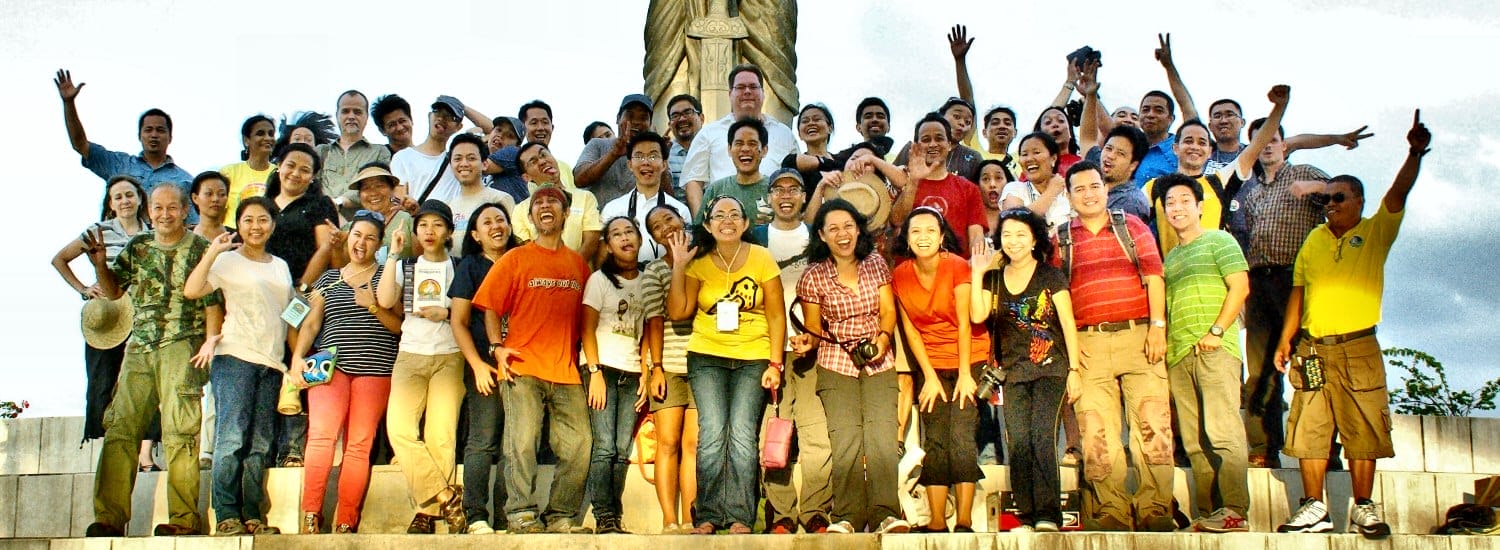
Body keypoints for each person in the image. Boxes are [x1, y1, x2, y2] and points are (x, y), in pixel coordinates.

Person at [1273, 112, 1430, 538]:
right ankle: (1313, 508)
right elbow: (1299, 292)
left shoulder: (1376, 231)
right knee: (1309, 425)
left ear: (1359, 201)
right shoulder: (1314, 239)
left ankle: (1363, 506)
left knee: (1363, 423)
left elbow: (1399, 192)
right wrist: (1286, 340)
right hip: (1313, 346)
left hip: (1359, 345)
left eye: (1339, 197)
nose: (1331, 205)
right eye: (1326, 199)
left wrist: (1414, 153)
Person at [80, 183, 221, 537]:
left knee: (180, 433)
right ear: (149, 211)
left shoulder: (201, 249)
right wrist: (100, 265)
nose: (164, 214)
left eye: (171, 207)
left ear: (184, 210)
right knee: (121, 430)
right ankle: (109, 517)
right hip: (139, 348)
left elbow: (213, 304)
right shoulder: (138, 247)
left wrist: (209, 345)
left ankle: (184, 519)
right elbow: (113, 291)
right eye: (157, 208)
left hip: (182, 347)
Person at [470, 184, 594, 534]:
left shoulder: (578, 265)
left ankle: (560, 515)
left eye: (553, 201)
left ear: (566, 213)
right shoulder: (515, 258)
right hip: (522, 367)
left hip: (567, 370)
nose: (546, 207)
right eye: (539, 203)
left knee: (580, 446)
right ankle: (521, 514)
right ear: (530, 216)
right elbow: (490, 307)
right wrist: (497, 347)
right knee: (520, 443)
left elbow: (587, 318)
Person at [1058, 161, 1173, 532]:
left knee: (1153, 422)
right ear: (1069, 195)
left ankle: (1156, 505)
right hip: (1089, 342)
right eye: (1080, 189)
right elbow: (1057, 295)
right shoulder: (1061, 238)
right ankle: (1111, 505)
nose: (1088, 194)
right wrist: (1073, 349)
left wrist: (1158, 327)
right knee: (1096, 428)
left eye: (1095, 186)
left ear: (1105, 189)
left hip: (1139, 337)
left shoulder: (1131, 226)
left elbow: (1154, 276)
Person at [664, 195, 786, 535]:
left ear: (746, 224)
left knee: (744, 436)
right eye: (719, 215)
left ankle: (740, 516)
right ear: (707, 224)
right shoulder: (699, 261)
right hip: (707, 355)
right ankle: (707, 515)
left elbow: (776, 314)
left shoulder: (762, 258)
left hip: (753, 355)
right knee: (712, 435)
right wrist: (678, 266)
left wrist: (775, 362)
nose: (727, 220)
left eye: (735, 214)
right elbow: (678, 311)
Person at [182, 196, 293, 536]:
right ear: (238, 224)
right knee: (231, 438)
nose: (255, 226)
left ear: (272, 224)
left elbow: (289, 314)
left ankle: (252, 514)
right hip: (235, 356)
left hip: (271, 361)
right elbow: (192, 290)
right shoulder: (227, 261)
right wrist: (212, 252)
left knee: (260, 442)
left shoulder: (281, 265)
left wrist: (293, 360)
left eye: (262, 220)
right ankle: (227, 513)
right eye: (248, 220)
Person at [789, 199, 900, 534]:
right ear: (821, 235)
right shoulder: (813, 276)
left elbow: (888, 311)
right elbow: (814, 329)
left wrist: (882, 339)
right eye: (833, 228)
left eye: (848, 226)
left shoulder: (876, 264)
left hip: (879, 360)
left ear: (858, 229)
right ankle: (848, 515)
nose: (842, 234)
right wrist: (807, 342)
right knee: (845, 438)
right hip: (836, 363)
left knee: (881, 435)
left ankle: (885, 514)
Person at [970, 207, 1082, 533]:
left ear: (1034, 239)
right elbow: (978, 315)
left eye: (1021, 234)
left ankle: (1048, 513)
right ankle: (1027, 515)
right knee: (1017, 439)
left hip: (1051, 369)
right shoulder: (994, 278)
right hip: (1015, 372)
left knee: (1041, 436)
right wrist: (978, 272)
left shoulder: (1050, 275)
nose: (1014, 241)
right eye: (1007, 235)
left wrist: (1074, 368)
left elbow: (1067, 324)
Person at [1152, 174, 1253, 533]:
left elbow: (1240, 286)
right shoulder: (1170, 259)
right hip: (1179, 355)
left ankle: (1235, 509)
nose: (1176, 208)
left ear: (1200, 206)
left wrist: (1216, 331)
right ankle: (1211, 512)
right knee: (1195, 441)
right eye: (1170, 203)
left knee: (1222, 431)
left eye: (1183, 201)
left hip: (1214, 349)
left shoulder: (1219, 240)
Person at [292, 211, 402, 534]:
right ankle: (311, 514)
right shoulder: (328, 279)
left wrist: (373, 306)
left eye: (370, 237)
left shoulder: (388, 275)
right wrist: (298, 356)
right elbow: (311, 323)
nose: (361, 243)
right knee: (321, 437)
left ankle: (346, 520)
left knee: (359, 444)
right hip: (330, 366)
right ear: (348, 236)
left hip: (376, 368)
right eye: (357, 235)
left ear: (379, 244)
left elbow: (399, 328)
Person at [1240, 116, 1333, 469]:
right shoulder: (1252, 191)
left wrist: (1314, 190)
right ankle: (1264, 447)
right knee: (1260, 370)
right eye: (1259, 141)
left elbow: (1344, 193)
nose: (1267, 146)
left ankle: (1326, 450)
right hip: (1259, 282)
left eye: (1273, 139)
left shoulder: (1303, 172)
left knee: (1311, 365)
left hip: (1298, 279)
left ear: (1284, 144)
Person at [891, 206, 988, 534]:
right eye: (915, 231)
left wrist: (964, 375)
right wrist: (929, 376)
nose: (923, 237)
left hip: (968, 358)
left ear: (942, 236)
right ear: (906, 237)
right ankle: (935, 520)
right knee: (935, 438)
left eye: (930, 231)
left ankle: (963, 520)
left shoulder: (957, 267)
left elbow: (964, 324)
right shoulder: (901, 273)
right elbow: (911, 331)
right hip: (930, 363)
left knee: (960, 435)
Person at [375, 200, 467, 534]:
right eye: (423, 225)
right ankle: (445, 495)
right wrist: (394, 255)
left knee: (440, 434)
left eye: (437, 224)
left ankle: (426, 513)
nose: (429, 231)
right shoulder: (407, 264)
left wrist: (447, 314)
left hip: (449, 353)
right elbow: (385, 301)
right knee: (398, 428)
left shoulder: (460, 266)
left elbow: (473, 313)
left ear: (449, 232)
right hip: (411, 353)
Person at [52, 175, 157, 464]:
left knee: (144, 384)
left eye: (129, 195)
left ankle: (145, 455)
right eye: (118, 197)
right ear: (110, 204)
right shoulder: (98, 231)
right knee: (103, 380)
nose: (124, 201)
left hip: (143, 316)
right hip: (109, 316)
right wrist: (84, 289)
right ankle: (103, 450)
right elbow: (59, 259)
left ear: (139, 199)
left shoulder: (152, 232)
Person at [755, 170, 831, 534]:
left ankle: (817, 510)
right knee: (775, 431)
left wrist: (815, 335)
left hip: (813, 347)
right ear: (768, 198)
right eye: (778, 189)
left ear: (804, 197)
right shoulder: (756, 238)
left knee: (817, 431)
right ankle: (781, 513)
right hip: (770, 349)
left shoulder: (818, 239)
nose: (786, 196)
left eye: (794, 189)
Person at [1143, 85, 1291, 255]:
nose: (1195, 147)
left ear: (1209, 152)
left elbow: (1257, 145)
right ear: (1176, 148)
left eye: (1202, 142)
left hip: (1214, 277)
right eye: (1188, 141)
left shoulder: (1219, 182)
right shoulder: (1154, 187)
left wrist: (1280, 106)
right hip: (1172, 276)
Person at [449, 202, 520, 535]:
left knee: (515, 442)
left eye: (501, 219)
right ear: (475, 234)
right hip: (484, 364)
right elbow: (459, 321)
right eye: (487, 222)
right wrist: (477, 365)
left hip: (522, 364)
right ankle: (475, 514)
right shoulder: (470, 267)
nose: (496, 226)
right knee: (482, 440)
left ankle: (507, 515)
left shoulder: (524, 258)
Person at [55, 69, 196, 224]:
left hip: (160, 244)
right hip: (119, 242)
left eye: (160, 130)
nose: (154, 135)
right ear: (139, 135)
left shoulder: (185, 181)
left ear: (170, 137)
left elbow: (192, 225)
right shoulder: (119, 164)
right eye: (148, 130)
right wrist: (68, 103)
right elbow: (80, 144)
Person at [583, 217, 651, 534]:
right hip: (602, 368)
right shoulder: (599, 280)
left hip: (633, 370)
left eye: (629, 232)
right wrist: (594, 371)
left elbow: (650, 331)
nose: (624, 238)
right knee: (604, 446)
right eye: (616, 234)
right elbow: (587, 328)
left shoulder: (648, 280)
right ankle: (603, 515)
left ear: (639, 239)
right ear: (608, 245)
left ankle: (615, 515)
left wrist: (648, 373)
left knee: (623, 449)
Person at [639, 204, 700, 533]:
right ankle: (669, 520)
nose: (666, 227)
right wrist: (656, 368)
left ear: (683, 221)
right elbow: (654, 322)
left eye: (669, 219)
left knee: (693, 445)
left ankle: (690, 518)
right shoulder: (654, 271)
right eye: (657, 226)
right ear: (653, 238)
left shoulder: (704, 261)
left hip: (704, 364)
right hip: (670, 365)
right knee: (667, 443)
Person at [681, 64, 799, 214]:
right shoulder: (709, 133)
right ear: (730, 94)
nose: (747, 92)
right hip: (724, 224)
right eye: (741, 87)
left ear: (763, 93)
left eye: (753, 87)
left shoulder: (784, 133)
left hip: (774, 222)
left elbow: (795, 178)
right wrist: (704, 224)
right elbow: (693, 182)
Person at [890, 113, 988, 255]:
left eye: (939, 138)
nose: (933, 144)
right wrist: (913, 181)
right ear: (917, 146)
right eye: (925, 139)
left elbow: (976, 236)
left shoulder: (969, 189)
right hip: (911, 270)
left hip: (956, 271)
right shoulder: (907, 183)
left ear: (949, 145)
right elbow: (897, 222)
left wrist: (974, 267)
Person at [600, 131, 690, 264]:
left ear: (664, 164)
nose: (646, 162)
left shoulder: (680, 211)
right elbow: (603, 259)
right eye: (639, 156)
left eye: (653, 156)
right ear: (630, 165)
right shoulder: (612, 209)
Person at [510, 143, 604, 261]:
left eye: (544, 155)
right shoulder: (520, 210)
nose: (542, 161)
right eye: (533, 162)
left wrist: (571, 271)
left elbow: (591, 241)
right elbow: (527, 249)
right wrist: (554, 275)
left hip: (581, 275)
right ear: (526, 177)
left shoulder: (585, 198)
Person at [575, 94, 671, 207]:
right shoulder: (598, 144)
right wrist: (613, 154)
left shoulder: (655, 154)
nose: (636, 122)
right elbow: (579, 179)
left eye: (643, 118)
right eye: (630, 116)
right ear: (618, 118)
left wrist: (660, 156)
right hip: (598, 222)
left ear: (649, 123)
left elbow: (669, 197)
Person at [319, 91, 393, 217]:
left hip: (363, 228)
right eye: (345, 111)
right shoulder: (321, 151)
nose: (351, 116)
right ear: (337, 115)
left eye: (357, 112)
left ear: (366, 117)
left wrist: (339, 202)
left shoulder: (379, 152)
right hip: (322, 225)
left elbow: (378, 190)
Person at [391, 97, 470, 208]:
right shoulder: (402, 157)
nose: (441, 118)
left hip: (448, 223)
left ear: (458, 127)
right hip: (416, 223)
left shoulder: (458, 163)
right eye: (437, 112)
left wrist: (462, 106)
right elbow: (399, 203)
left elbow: (495, 133)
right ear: (429, 116)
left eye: (449, 116)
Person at [444, 133, 514, 257]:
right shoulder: (448, 206)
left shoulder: (500, 199)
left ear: (484, 164)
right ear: (450, 165)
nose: (464, 164)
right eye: (457, 159)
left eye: (471, 158)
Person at [697, 118, 771, 225]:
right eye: (739, 143)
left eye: (752, 143)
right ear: (729, 149)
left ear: (764, 150)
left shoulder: (775, 189)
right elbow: (700, 231)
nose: (745, 149)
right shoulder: (716, 189)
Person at [894, 98, 986, 184]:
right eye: (957, 116)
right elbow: (891, 181)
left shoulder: (974, 158)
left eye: (968, 122)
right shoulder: (912, 149)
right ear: (941, 116)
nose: (962, 123)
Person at [1002, 132, 1071, 230]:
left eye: (1036, 152)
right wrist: (1052, 191)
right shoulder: (1014, 189)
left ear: (1053, 158)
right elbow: (1015, 222)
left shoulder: (1070, 190)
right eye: (1024, 154)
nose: (1029, 159)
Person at [220, 115, 276, 228]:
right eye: (260, 133)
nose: (268, 138)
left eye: (271, 134)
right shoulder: (229, 172)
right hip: (233, 236)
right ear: (246, 140)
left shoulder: (279, 173)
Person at [516, 100, 578, 189]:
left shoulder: (564, 167)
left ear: (552, 128)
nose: (540, 128)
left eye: (545, 122)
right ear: (522, 129)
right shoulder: (514, 165)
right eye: (534, 123)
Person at [782, 104, 840, 196]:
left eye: (817, 119)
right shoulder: (793, 165)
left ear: (830, 128)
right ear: (799, 134)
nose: (811, 123)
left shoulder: (843, 160)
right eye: (805, 121)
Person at [665, 94, 704, 197]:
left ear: (701, 118)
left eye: (687, 112)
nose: (682, 119)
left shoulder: (715, 151)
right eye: (675, 116)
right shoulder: (666, 155)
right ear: (669, 124)